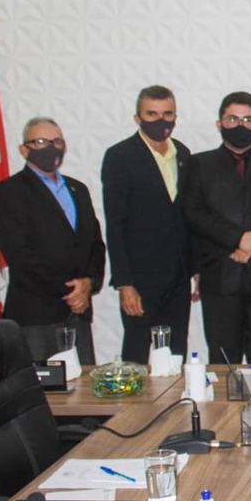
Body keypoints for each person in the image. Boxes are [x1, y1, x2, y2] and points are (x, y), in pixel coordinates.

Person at [181, 92, 251, 364]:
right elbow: (193, 213)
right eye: (232, 119)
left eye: (247, 120)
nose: (240, 125)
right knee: (223, 364)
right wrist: (237, 239)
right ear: (219, 124)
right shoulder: (199, 164)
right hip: (220, 278)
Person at [0, 117, 105, 364]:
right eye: (41, 142)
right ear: (24, 150)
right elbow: (20, 255)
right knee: (43, 386)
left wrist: (89, 283)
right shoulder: (10, 191)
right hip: (37, 316)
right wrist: (70, 291)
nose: (51, 148)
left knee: (83, 386)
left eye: (57, 142)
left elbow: (95, 245)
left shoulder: (78, 189)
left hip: (78, 314)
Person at [102, 85, 198, 364]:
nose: (160, 120)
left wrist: (196, 269)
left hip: (178, 276)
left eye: (167, 114)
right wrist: (125, 284)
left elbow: (189, 216)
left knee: (175, 353)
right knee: (137, 355)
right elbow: (115, 224)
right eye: (152, 114)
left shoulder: (183, 154)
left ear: (175, 116)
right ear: (138, 118)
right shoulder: (120, 156)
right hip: (140, 279)